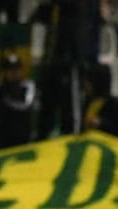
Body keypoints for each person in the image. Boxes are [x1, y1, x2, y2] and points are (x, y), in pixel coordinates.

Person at [35, 0, 103, 139]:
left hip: (72, 60)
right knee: (47, 107)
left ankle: (73, 139)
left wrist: (81, 59)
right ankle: (42, 139)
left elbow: (84, 27)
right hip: (53, 59)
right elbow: (41, 17)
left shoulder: (82, 6)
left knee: (71, 109)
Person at [0, 52, 38, 151]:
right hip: (2, 143)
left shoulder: (28, 87)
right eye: (10, 70)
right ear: (5, 72)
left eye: (16, 69)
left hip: (23, 141)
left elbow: (27, 106)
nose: (14, 73)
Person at [80, 63, 118, 140]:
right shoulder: (86, 103)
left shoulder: (113, 105)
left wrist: (101, 124)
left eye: (88, 82)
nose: (85, 85)